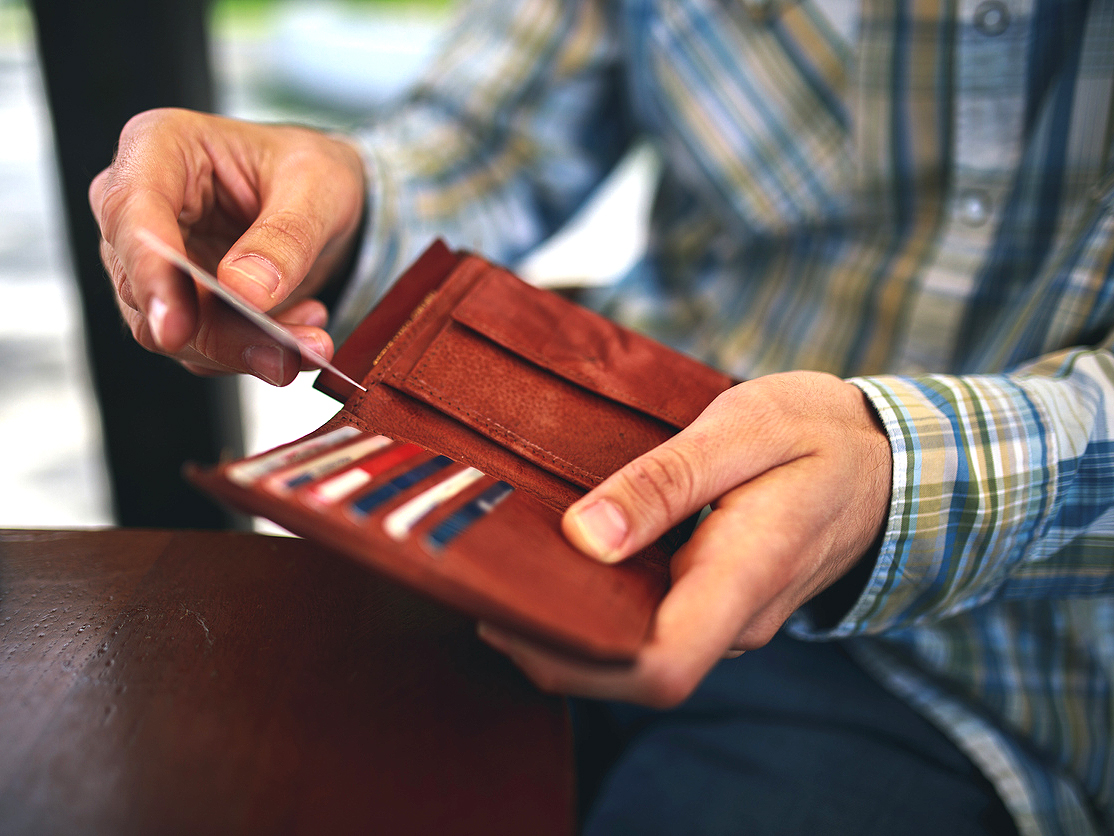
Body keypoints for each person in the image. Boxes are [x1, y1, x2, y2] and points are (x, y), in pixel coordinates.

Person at [89, 0, 1114, 833]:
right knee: (184, 769)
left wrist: (900, 470)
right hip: (568, 507)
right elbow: (490, 133)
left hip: (995, 669)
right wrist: (339, 202)